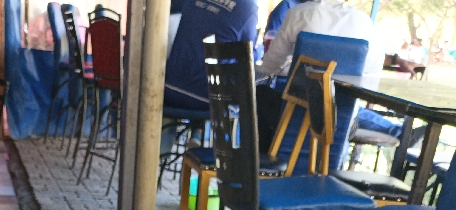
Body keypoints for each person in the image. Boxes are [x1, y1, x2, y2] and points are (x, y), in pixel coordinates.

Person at [255, 0, 384, 151]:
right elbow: (372, 68)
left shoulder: (299, 13)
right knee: (349, 113)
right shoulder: (364, 22)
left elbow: (271, 65)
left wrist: (297, 66)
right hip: (340, 121)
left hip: (295, 113)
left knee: (259, 94)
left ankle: (263, 160)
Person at [164, 0, 259, 111]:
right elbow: (248, 55)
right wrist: (260, 51)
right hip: (211, 99)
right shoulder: (248, 7)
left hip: (169, 89)